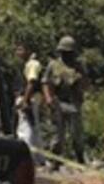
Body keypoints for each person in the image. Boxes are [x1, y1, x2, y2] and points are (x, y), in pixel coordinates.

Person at [43, 36, 86, 164]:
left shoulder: (78, 66)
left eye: (70, 53)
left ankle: (80, 158)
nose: (67, 55)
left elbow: (85, 83)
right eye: (65, 52)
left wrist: (80, 82)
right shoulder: (53, 65)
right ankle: (55, 160)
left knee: (76, 134)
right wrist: (48, 98)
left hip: (74, 103)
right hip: (58, 102)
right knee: (57, 134)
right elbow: (45, 82)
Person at [13, 44, 44, 163]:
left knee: (24, 128)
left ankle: (26, 158)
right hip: (31, 98)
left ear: (28, 50)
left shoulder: (32, 64)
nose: (17, 52)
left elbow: (32, 82)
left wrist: (25, 100)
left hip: (29, 99)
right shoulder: (28, 64)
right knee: (33, 127)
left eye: (20, 49)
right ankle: (38, 158)